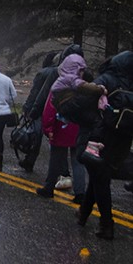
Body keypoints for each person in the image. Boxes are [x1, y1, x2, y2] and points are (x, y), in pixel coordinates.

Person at [77, 50, 133, 240]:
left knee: (100, 179)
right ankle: (83, 214)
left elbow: (85, 104)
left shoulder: (107, 79)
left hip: (101, 137)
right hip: (124, 139)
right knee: (99, 175)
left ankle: (106, 224)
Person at [20, 44, 87, 172]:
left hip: (47, 110)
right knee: (67, 144)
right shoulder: (82, 73)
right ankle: (65, 175)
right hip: (70, 113)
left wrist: (31, 110)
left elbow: (38, 93)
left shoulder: (49, 72)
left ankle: (31, 161)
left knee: (40, 138)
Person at [36, 86, 85, 203]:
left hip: (60, 128)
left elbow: (50, 110)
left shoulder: (58, 87)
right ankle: (80, 193)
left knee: (56, 160)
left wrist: (48, 128)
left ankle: (49, 188)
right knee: (78, 161)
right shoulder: (84, 87)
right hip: (79, 128)